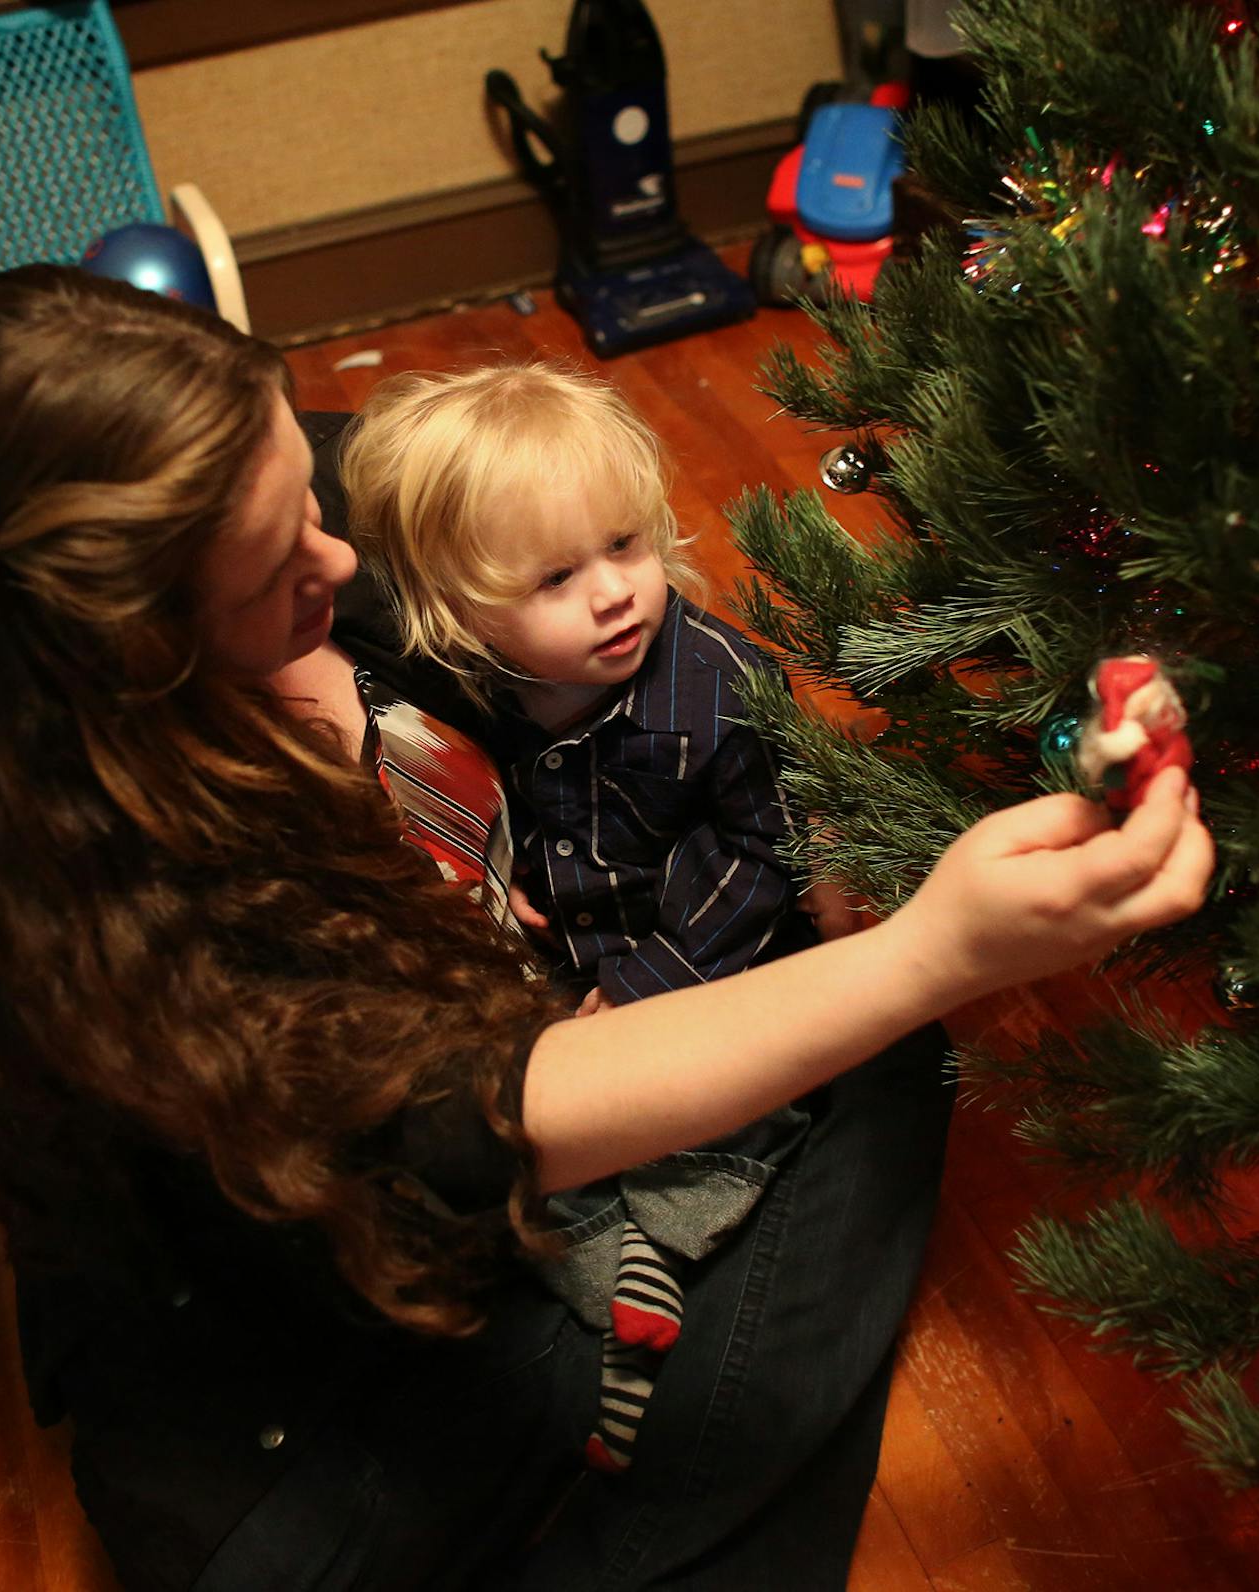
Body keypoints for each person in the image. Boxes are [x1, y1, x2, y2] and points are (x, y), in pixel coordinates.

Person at [0, 264, 1212, 1592]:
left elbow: (577, 567)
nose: (338, 553)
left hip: (489, 1094)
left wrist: (817, 815)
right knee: (879, 1048)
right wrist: (927, 954)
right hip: (303, 1467)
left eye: (309, 491)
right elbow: (472, 1121)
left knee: (843, 1032)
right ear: (123, 647)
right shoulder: (116, 927)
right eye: (270, 569)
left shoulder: (254, 513)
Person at [340, 363, 827, 1473]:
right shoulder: (476, 681)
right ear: (458, 610)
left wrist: (658, 974)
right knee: (502, 1129)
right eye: (556, 575)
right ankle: (616, 1264)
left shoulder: (712, 688)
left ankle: (653, 1247)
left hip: (704, 961)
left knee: (736, 1109)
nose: (615, 592)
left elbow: (766, 850)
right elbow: (477, 785)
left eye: (626, 545)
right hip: (567, 957)